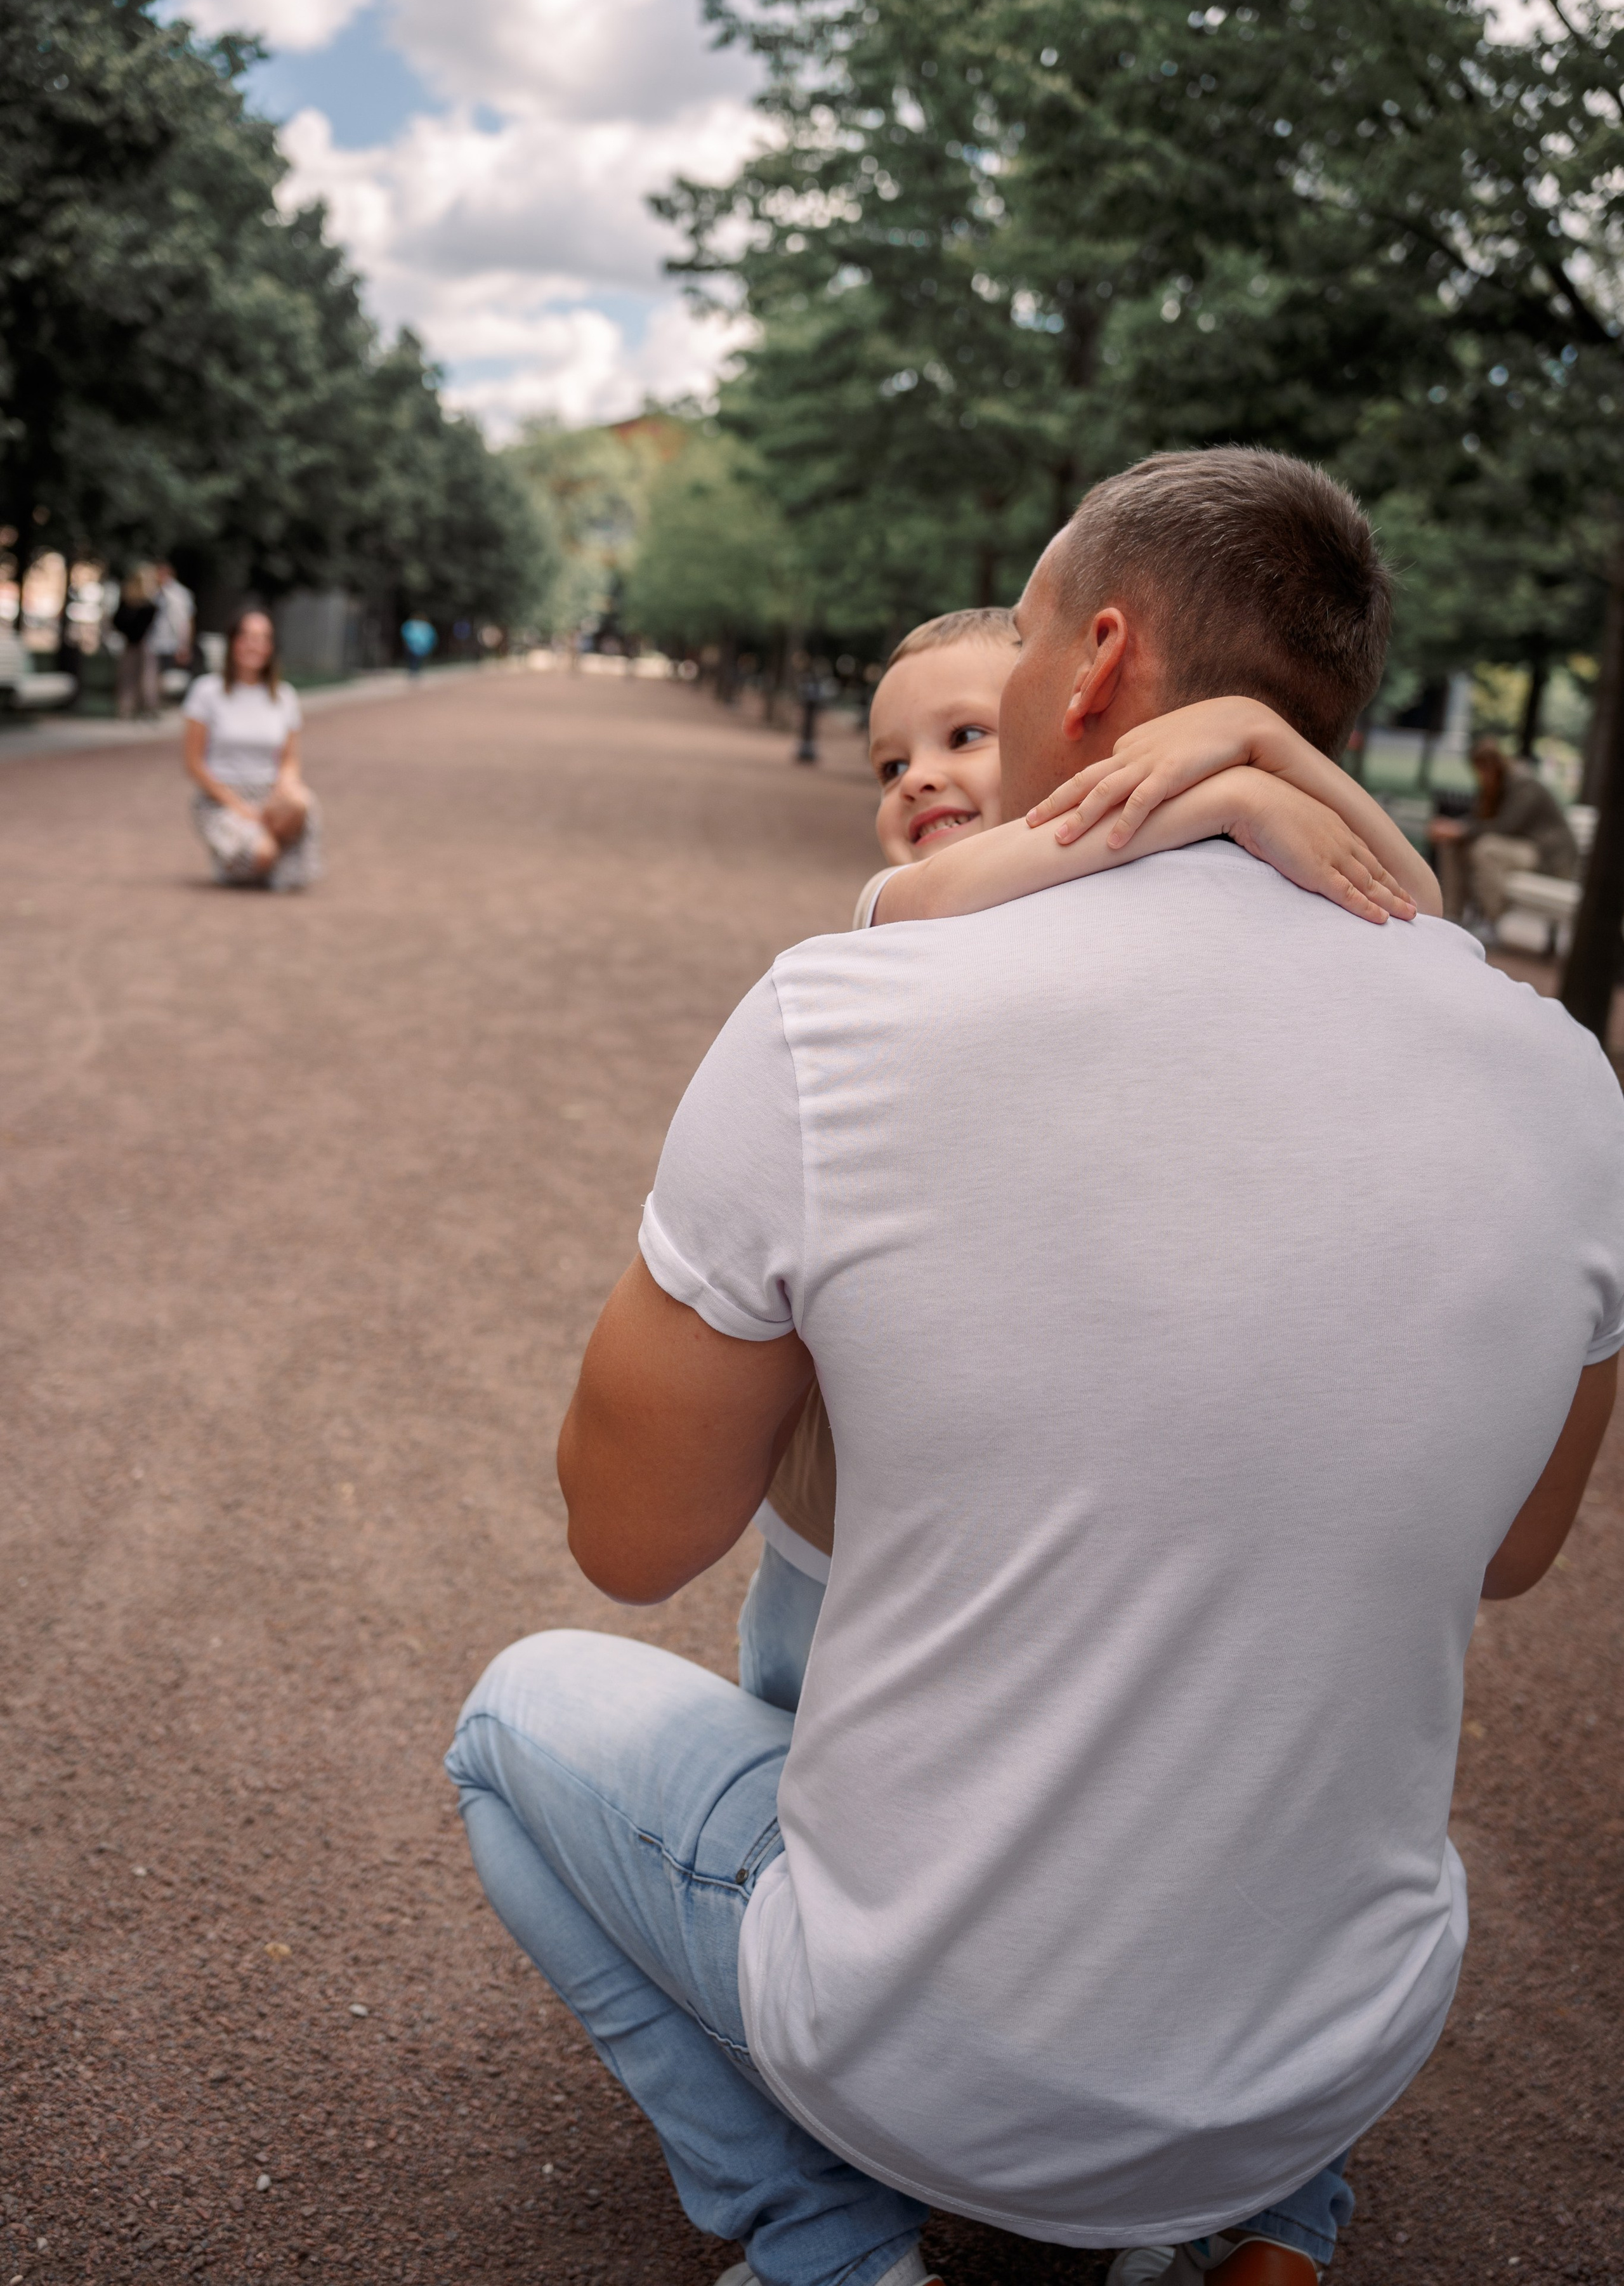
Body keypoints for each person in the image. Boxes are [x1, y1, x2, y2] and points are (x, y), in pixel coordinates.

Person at [445, 449, 1624, 2286]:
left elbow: (628, 1534)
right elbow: (1512, 1550)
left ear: (1089, 664)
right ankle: (1250, 2222)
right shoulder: (1567, 1090)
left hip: (933, 2055)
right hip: (1336, 2046)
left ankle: (826, 2240)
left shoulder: (853, 1015)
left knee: (514, 1717)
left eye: (1004, 683)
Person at [742, 605, 1439, 1714]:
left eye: (964, 737)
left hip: (999, 1539)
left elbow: (1414, 899)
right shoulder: (902, 916)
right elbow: (960, 885)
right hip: (836, 1545)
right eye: (892, 762)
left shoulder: (1139, 937)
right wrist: (1236, 791)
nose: (917, 779)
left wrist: (1262, 738)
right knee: (795, 1767)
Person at [181, 605, 320, 890]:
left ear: (271, 647)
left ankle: (261, 849)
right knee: (263, 854)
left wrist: (285, 788)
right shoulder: (207, 692)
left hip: (268, 793)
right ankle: (254, 856)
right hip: (222, 795)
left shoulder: (283, 697)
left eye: (263, 638)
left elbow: (289, 760)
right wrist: (239, 806)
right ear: (233, 642)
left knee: (301, 802)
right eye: (247, 637)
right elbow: (194, 763)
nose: (255, 646)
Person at [1430, 736, 1579, 931]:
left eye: (1484, 769)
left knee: (1487, 850)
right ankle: (1452, 916)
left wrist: (1460, 830)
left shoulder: (1524, 784)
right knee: (1452, 844)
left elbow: (1506, 826)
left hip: (1547, 855)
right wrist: (1453, 829)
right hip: (1518, 848)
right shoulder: (1493, 787)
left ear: (1495, 765)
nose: (1481, 776)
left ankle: (1492, 922)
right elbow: (1479, 820)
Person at [112, 565, 160, 720]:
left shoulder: (147, 605)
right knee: (135, 677)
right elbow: (118, 622)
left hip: (140, 643)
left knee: (142, 678)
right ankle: (132, 709)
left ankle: (141, 709)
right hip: (135, 643)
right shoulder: (131, 603)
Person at [148, 561, 195, 688]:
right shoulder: (152, 592)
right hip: (153, 642)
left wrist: (185, 645)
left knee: (168, 679)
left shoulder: (181, 594)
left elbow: (185, 621)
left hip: (172, 642)